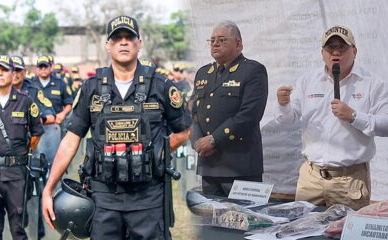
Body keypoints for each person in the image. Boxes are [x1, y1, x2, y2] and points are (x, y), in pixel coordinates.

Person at [42, 15, 191, 239]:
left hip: (148, 198)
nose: (123, 42)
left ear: (139, 43)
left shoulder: (160, 86)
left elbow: (184, 131)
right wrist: (48, 188)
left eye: (129, 37)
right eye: (117, 37)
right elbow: (71, 140)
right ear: (108, 45)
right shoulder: (91, 88)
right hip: (103, 199)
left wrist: (157, 154)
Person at [275, 25, 388, 210]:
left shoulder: (373, 83)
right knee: (301, 232)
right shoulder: (307, 81)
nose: (335, 52)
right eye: (330, 48)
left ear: (354, 51)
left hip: (349, 180)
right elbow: (287, 119)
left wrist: (354, 116)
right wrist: (283, 104)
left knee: (345, 234)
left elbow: (386, 124)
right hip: (310, 178)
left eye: (342, 47)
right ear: (322, 53)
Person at [191, 20, 268, 197]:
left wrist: (213, 140)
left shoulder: (252, 70)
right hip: (208, 165)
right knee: (212, 223)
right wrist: (197, 142)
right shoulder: (203, 73)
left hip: (240, 167)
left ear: (238, 44)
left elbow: (249, 115)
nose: (215, 43)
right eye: (212, 40)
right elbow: (193, 113)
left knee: (244, 222)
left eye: (222, 39)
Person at [0, 55, 44, 239]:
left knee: (18, 228)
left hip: (16, 175)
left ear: (13, 74)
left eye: (4, 70)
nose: (0, 74)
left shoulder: (26, 101)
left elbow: (36, 132)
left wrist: (23, 155)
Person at [30, 56, 73, 168]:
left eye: (46, 66)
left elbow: (69, 103)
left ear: (51, 67)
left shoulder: (60, 83)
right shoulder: (30, 84)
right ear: (37, 69)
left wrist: (62, 114)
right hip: (36, 127)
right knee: (36, 160)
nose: (43, 69)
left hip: (55, 126)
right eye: (41, 67)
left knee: (55, 160)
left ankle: (56, 182)